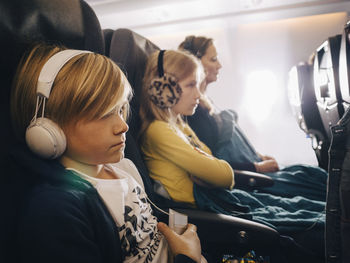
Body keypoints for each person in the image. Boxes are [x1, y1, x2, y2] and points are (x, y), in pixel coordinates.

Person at [9, 43, 206, 263]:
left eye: (120, 109)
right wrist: (187, 257)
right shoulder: (55, 211)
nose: (123, 126)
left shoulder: (123, 168)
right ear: (48, 130)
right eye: (104, 114)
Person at [139, 49, 326, 261]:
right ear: (163, 89)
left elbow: (213, 162)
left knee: (300, 206)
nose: (198, 94)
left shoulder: (178, 125)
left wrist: (210, 169)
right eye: (191, 85)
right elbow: (223, 175)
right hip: (207, 208)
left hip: (218, 199)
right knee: (308, 223)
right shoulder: (159, 131)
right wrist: (212, 170)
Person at [178, 35, 328, 202]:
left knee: (310, 173)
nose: (219, 65)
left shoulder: (207, 103)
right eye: (213, 59)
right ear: (196, 63)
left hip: (254, 168)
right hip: (249, 178)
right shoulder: (195, 113)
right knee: (315, 183)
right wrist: (256, 167)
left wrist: (259, 156)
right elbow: (213, 163)